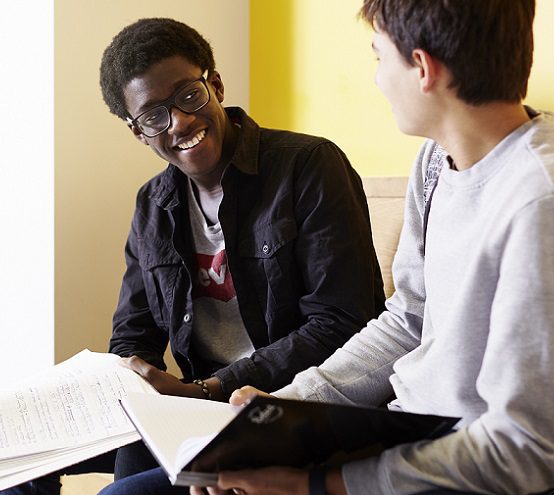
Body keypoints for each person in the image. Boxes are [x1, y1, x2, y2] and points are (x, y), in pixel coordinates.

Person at [181, 1, 554, 494]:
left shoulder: (548, 203)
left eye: (379, 56)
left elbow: (520, 450)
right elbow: (409, 318)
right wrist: (282, 414)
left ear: (422, 68)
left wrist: (318, 485)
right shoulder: (437, 162)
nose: (376, 78)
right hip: (414, 441)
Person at [2, 17, 385, 495]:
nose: (180, 122)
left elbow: (340, 321)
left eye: (188, 96)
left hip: (287, 407)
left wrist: (211, 388)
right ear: (138, 132)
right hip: (197, 407)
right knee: (17, 462)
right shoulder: (152, 204)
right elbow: (133, 333)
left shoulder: (308, 166)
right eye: (154, 116)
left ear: (215, 85)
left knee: (123, 493)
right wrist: (132, 383)